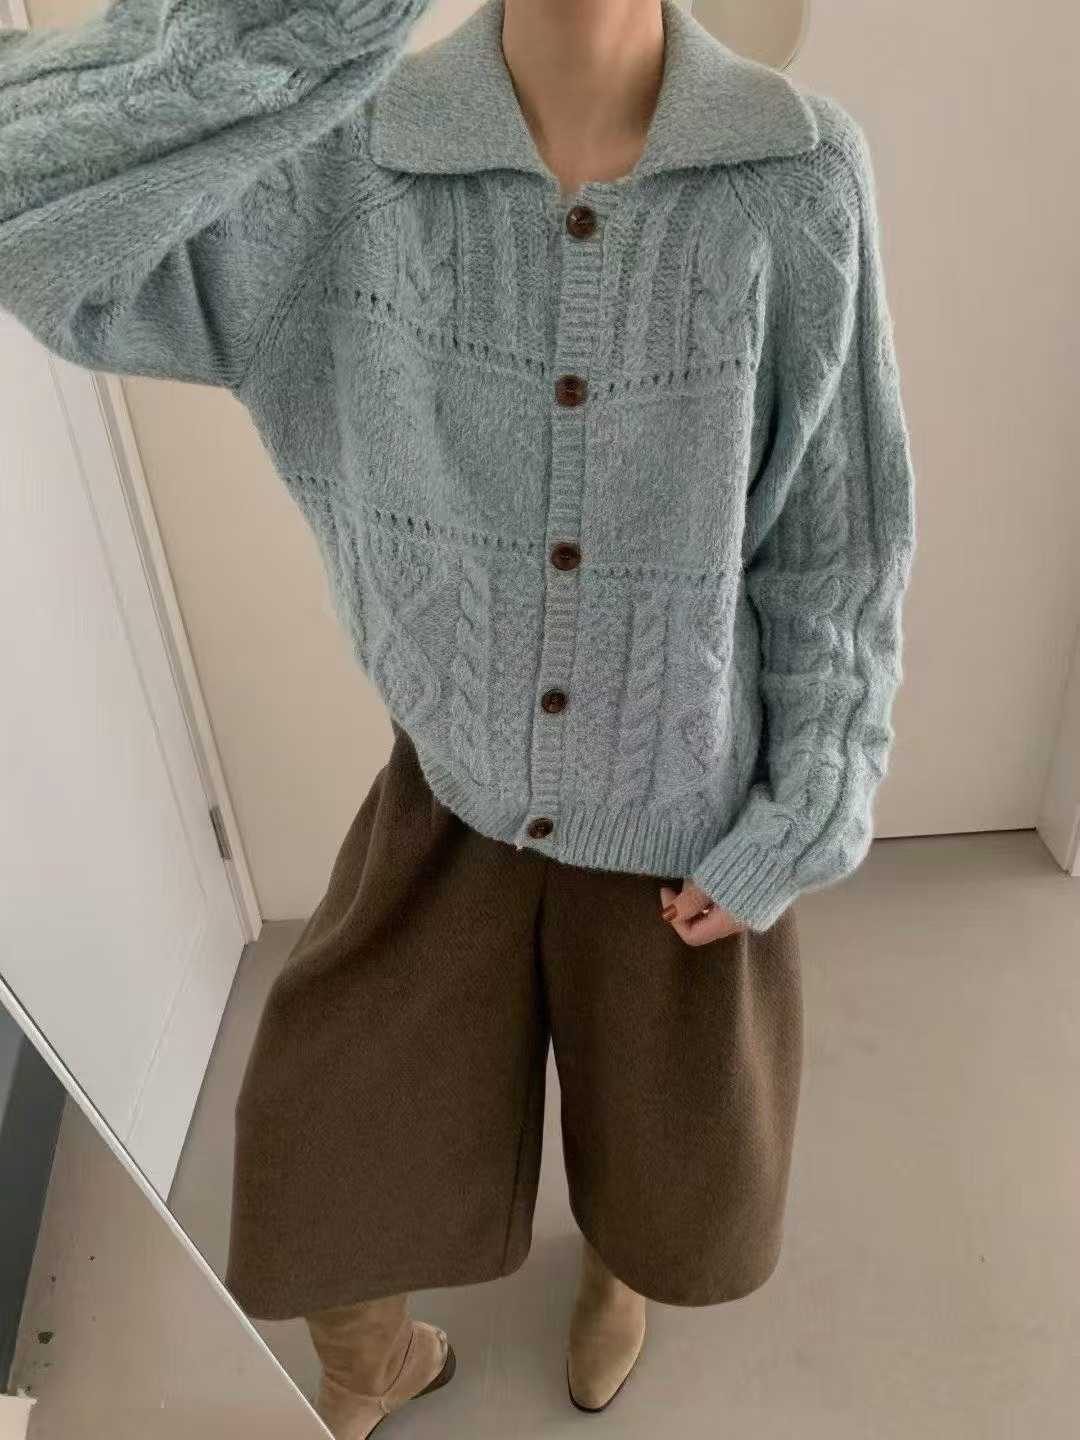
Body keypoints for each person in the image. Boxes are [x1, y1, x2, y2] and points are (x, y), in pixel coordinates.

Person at [0, 0, 917, 1434]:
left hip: (685, 797)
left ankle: (618, 1275)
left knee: (670, 1152)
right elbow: (28, 208)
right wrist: (303, 25)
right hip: (456, 783)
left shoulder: (794, 176)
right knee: (323, 1118)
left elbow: (837, 544)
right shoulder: (345, 161)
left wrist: (804, 811)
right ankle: (368, 1357)